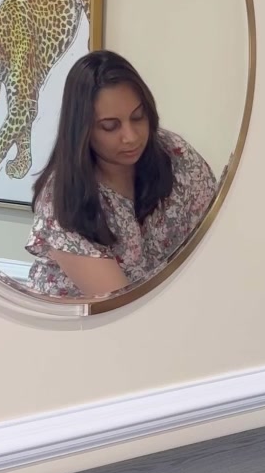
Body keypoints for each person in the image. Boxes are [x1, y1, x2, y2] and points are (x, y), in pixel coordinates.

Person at [26, 50, 217, 300]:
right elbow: (122, 306)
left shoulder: (176, 156)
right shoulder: (62, 200)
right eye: (110, 126)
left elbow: (219, 241)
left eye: (138, 117)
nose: (131, 137)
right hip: (97, 322)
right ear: (82, 130)